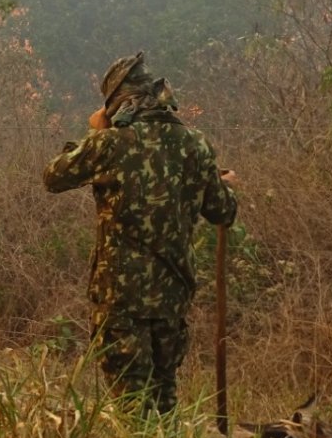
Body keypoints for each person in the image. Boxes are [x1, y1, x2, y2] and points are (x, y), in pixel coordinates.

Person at [42, 52, 237, 415]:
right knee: (164, 396)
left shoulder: (110, 144)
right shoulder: (194, 144)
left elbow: (54, 176)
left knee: (132, 401)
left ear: (120, 103)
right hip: (172, 293)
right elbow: (222, 211)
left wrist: (96, 132)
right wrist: (215, 183)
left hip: (121, 296)